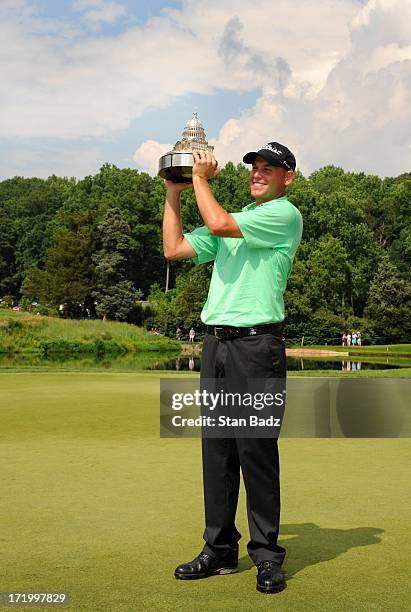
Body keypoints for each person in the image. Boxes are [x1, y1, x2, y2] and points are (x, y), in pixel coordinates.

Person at [162, 141, 302, 594]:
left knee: (255, 451)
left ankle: (266, 556)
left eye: (269, 168)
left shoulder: (283, 214)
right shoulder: (234, 219)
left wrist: (199, 179)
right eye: (255, 167)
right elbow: (175, 248)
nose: (259, 173)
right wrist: (174, 192)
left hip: (258, 346)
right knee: (217, 453)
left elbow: (219, 221)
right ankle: (219, 550)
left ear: (287, 178)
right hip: (216, 345)